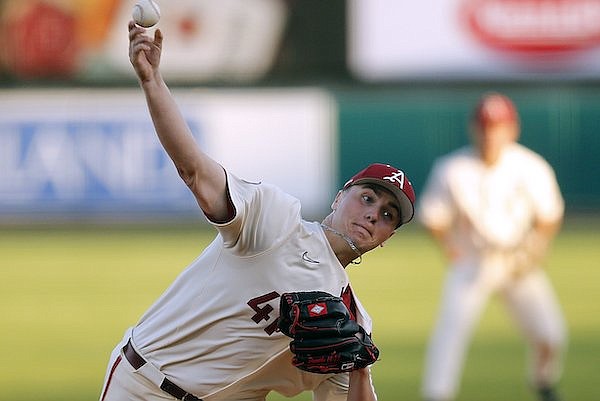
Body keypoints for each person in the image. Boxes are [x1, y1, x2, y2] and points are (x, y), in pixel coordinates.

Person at [98, 21, 416, 401]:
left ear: (386, 239)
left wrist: (360, 367)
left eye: (386, 215)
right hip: (145, 386)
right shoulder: (275, 219)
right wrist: (152, 82)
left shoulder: (351, 322)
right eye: (367, 198)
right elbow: (194, 170)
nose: (372, 215)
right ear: (339, 197)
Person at [418, 92, 567, 401]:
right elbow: (433, 215)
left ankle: (544, 384)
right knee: (450, 332)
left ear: (512, 129)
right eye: (485, 126)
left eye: (498, 126)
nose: (491, 133)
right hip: (474, 261)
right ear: (475, 128)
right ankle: (437, 395)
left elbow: (550, 214)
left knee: (551, 334)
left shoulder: (530, 166)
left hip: (517, 261)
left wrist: (538, 247)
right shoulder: (453, 168)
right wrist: (449, 246)